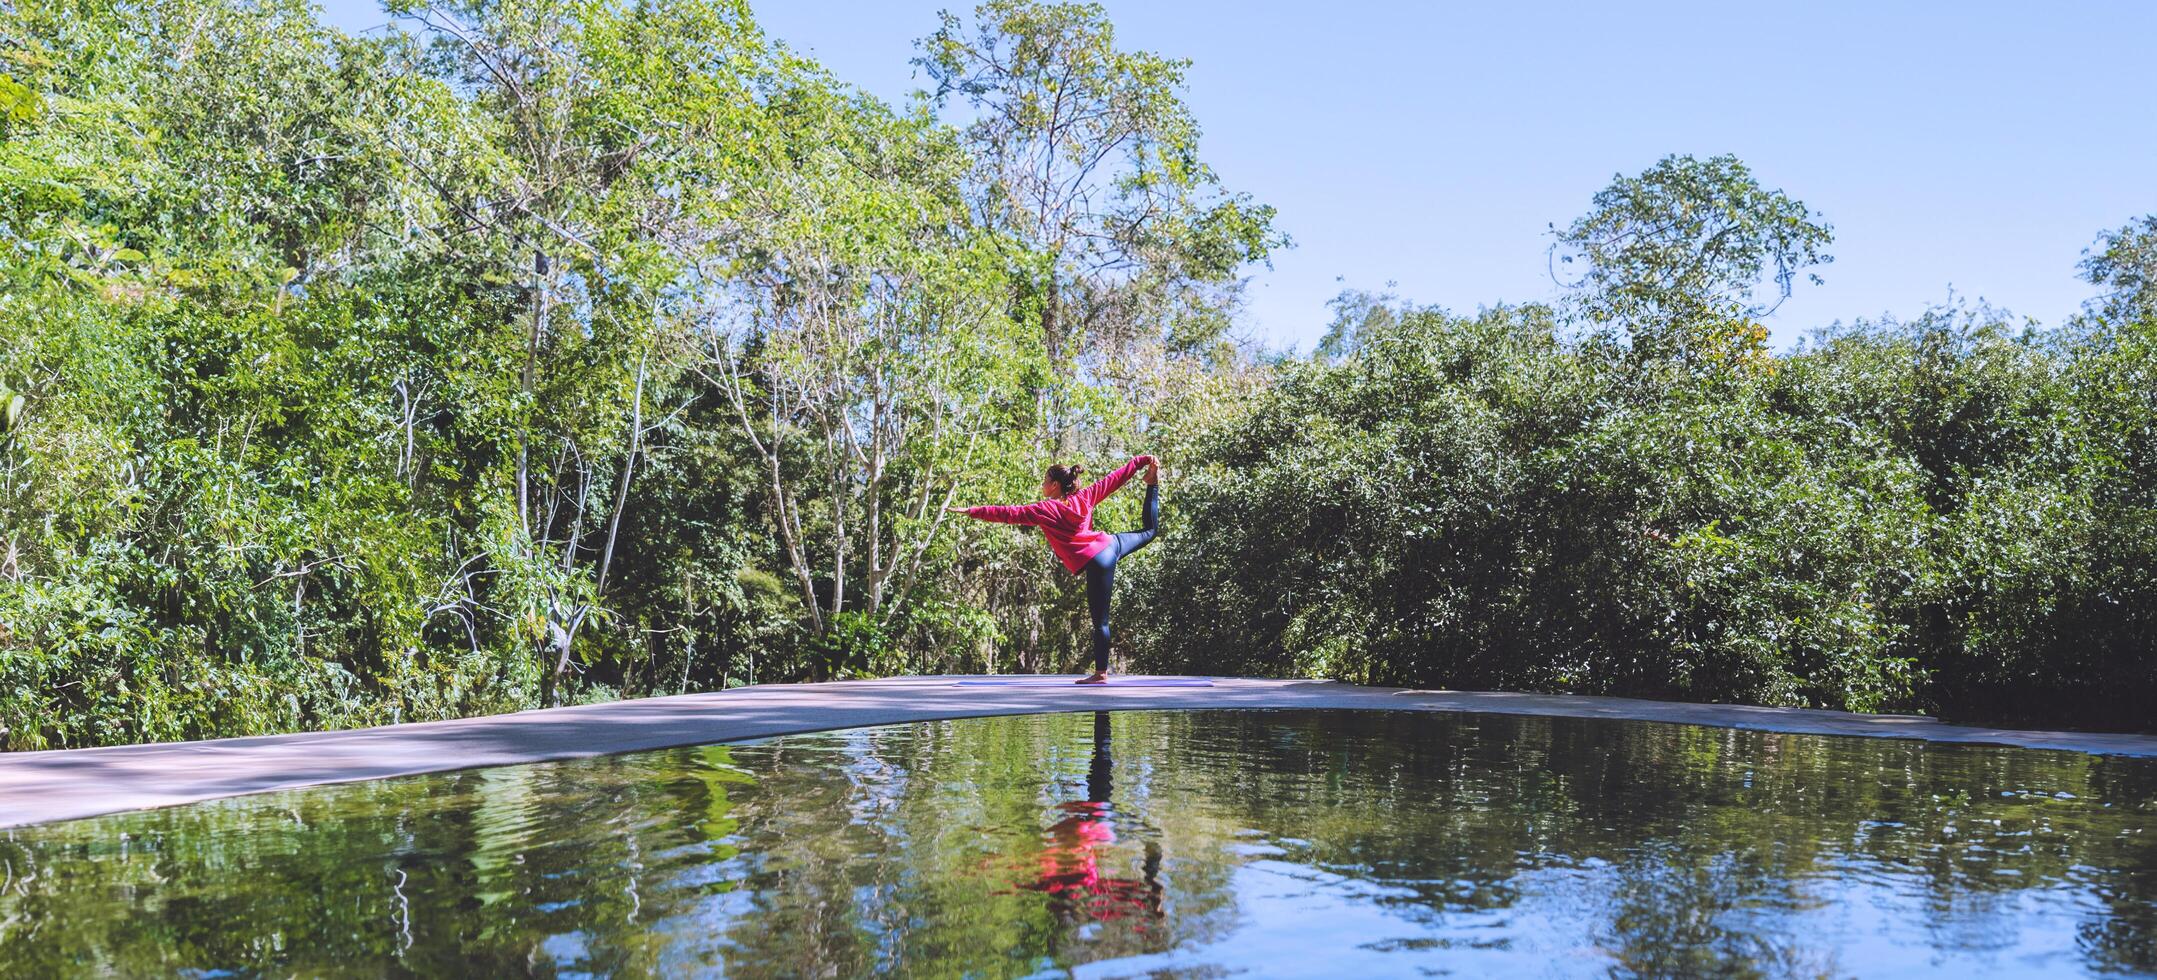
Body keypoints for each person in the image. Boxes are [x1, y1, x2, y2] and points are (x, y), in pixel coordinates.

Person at [949, 454, 1160, 684]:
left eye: (1045, 480)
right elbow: (1115, 479)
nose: (1042, 485)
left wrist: (973, 511)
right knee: (1149, 532)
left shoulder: (1046, 509)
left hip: (1098, 560)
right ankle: (1153, 484)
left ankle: (1101, 673)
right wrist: (1141, 461)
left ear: (1055, 485)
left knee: (1101, 621)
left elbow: (1008, 513)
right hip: (1110, 545)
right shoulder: (1085, 497)